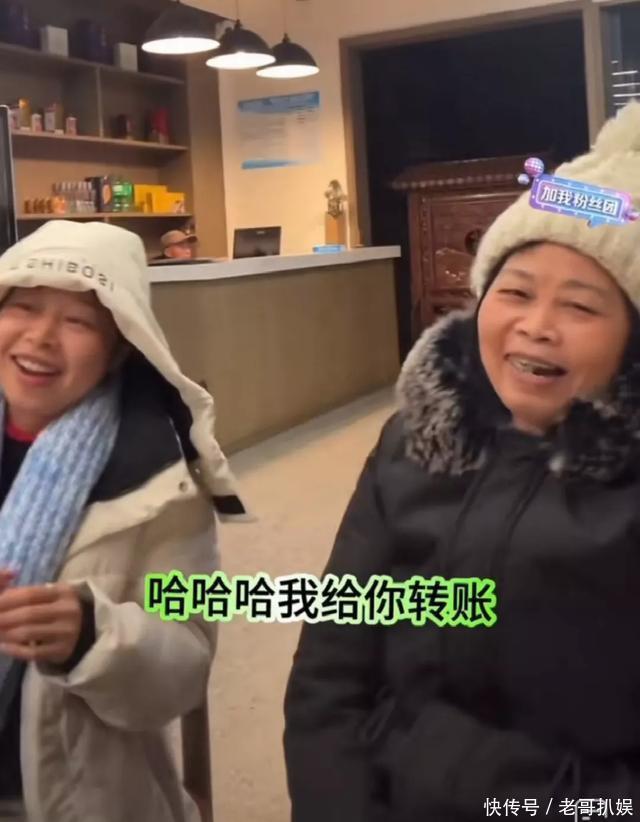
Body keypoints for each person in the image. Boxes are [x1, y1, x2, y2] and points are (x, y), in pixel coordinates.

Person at [284, 101, 640, 821]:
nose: (536, 326)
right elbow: (331, 667)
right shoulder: (414, 438)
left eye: (580, 306)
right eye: (515, 292)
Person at [0, 220, 247, 822]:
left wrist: (91, 634)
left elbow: (186, 667)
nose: (41, 337)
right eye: (23, 307)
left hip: (69, 801)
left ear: (118, 350)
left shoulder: (160, 482)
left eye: (78, 321)